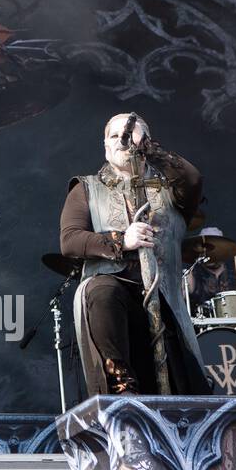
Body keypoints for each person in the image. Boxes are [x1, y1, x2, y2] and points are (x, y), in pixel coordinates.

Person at [59, 112, 208, 395]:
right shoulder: (86, 188)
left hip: (165, 301)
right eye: (114, 137)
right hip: (115, 303)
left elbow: (193, 178)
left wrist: (149, 149)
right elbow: (69, 241)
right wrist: (120, 241)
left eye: (128, 135)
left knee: (184, 394)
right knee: (100, 289)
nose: (121, 141)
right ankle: (121, 390)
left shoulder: (173, 190)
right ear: (105, 147)